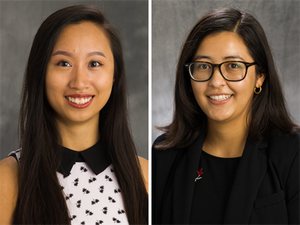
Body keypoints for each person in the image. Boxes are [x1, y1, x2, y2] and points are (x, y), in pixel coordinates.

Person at [0, 5, 148, 225]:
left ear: (114, 75)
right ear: (41, 73)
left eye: (95, 64)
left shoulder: (146, 176)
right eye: (63, 63)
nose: (79, 82)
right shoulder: (7, 179)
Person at [152, 7, 300, 225]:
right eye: (203, 66)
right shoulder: (164, 154)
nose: (216, 82)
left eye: (233, 66)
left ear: (260, 76)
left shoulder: (293, 152)